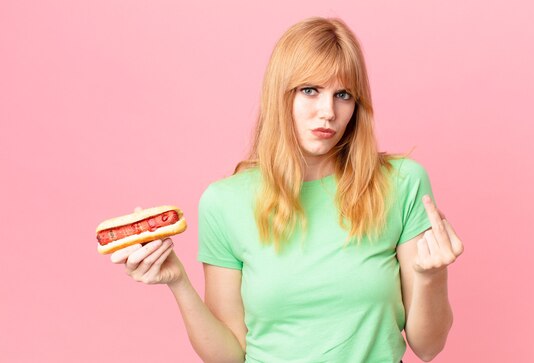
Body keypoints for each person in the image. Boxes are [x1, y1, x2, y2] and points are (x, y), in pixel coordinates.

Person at [111, 17, 464, 363]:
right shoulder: (224, 202)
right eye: (310, 90)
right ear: (282, 95)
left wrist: (432, 276)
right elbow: (229, 356)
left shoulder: (402, 183)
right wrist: (178, 282)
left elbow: (428, 347)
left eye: (343, 95)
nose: (328, 112)